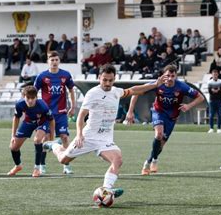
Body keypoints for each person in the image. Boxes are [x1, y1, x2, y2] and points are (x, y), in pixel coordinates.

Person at [44, 65, 167, 197]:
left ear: (114, 79)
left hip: (105, 139)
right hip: (88, 136)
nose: (107, 83)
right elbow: (81, 116)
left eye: (110, 80)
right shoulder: (92, 93)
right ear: (99, 78)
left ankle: (106, 190)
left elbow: (134, 90)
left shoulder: (116, 92)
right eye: (105, 80)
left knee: (117, 159)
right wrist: (79, 135)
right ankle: (54, 145)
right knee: (64, 160)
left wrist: (155, 84)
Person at [125, 65, 204, 175]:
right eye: (167, 75)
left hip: (172, 117)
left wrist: (189, 106)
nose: (170, 78)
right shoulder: (157, 84)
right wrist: (130, 111)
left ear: (176, 76)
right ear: (163, 75)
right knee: (159, 135)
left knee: (161, 144)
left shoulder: (182, 86)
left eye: (173, 76)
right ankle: (154, 161)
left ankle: (149, 161)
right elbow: (136, 92)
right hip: (159, 112)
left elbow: (200, 97)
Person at [34, 51, 76, 174]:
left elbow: (71, 90)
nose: (54, 62)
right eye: (52, 60)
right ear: (48, 61)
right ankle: (42, 165)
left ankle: (66, 166)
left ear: (59, 61)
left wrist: (73, 106)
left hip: (61, 113)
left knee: (64, 137)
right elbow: (33, 92)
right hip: (46, 114)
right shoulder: (42, 76)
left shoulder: (65, 75)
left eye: (56, 60)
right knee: (45, 139)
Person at [7, 86, 55, 177]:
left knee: (37, 140)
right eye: (28, 98)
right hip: (28, 122)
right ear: (23, 96)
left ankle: (37, 168)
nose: (30, 100)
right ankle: (18, 166)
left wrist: (51, 138)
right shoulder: (19, 104)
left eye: (33, 98)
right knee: (13, 147)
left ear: (36, 97)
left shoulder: (43, 106)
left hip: (42, 122)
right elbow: (16, 118)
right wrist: (13, 135)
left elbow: (52, 120)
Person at [207, 69, 221, 134]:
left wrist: (215, 91)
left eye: (216, 74)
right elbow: (209, 91)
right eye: (214, 74)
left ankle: (219, 128)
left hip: (219, 100)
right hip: (212, 100)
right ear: (212, 74)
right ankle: (211, 128)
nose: (215, 75)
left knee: (219, 114)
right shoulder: (209, 82)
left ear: (218, 74)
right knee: (211, 114)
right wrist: (216, 90)